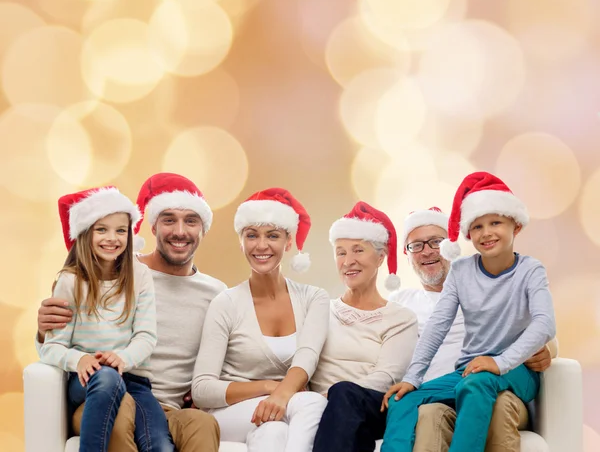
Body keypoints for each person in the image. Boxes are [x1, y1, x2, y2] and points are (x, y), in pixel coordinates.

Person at [37, 173, 225, 452]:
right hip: (104, 397)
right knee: (120, 405)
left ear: (204, 229)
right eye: (169, 219)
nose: (180, 231)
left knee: (202, 423)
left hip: (162, 405)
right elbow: (57, 339)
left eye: (191, 221)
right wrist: (42, 331)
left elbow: (231, 358)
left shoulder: (217, 293)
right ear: (151, 227)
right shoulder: (114, 265)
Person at [381, 172, 557, 452]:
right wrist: (412, 378)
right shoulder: (461, 272)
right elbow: (437, 326)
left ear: (516, 226)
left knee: (475, 385)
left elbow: (545, 324)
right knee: (404, 399)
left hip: (516, 372)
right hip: (469, 371)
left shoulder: (530, 270)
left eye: (495, 222)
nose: (486, 232)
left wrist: (499, 362)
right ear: (467, 234)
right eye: (477, 227)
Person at [192, 188, 330, 452]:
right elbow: (201, 389)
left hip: (283, 408)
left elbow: (307, 357)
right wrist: (272, 389)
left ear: (289, 242)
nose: (261, 245)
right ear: (241, 241)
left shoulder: (314, 298)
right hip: (229, 413)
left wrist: (280, 396)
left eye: (273, 235)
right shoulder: (226, 303)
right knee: (311, 403)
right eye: (252, 235)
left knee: (274, 432)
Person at [39, 186, 166, 452]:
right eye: (102, 229)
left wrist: (123, 358)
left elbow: (146, 336)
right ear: (86, 233)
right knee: (107, 377)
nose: (112, 238)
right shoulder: (70, 281)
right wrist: (80, 359)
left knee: (160, 445)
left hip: (133, 378)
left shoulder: (140, 276)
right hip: (88, 381)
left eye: (121, 230)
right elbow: (51, 347)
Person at [311, 201, 419, 452]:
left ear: (381, 257)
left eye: (358, 250)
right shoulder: (319, 309)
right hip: (320, 405)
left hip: (374, 405)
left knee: (344, 394)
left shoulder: (401, 318)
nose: (348, 261)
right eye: (341, 252)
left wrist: (334, 397)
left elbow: (386, 377)